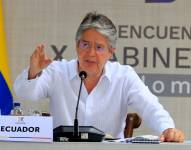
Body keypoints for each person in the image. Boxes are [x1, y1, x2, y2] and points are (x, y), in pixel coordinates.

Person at [14, 12, 184, 142]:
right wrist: (33, 72)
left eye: (99, 47)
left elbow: (151, 107)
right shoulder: (58, 71)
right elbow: (25, 92)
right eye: (85, 44)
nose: (90, 53)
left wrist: (168, 129)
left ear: (111, 52)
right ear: (76, 45)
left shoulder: (123, 76)